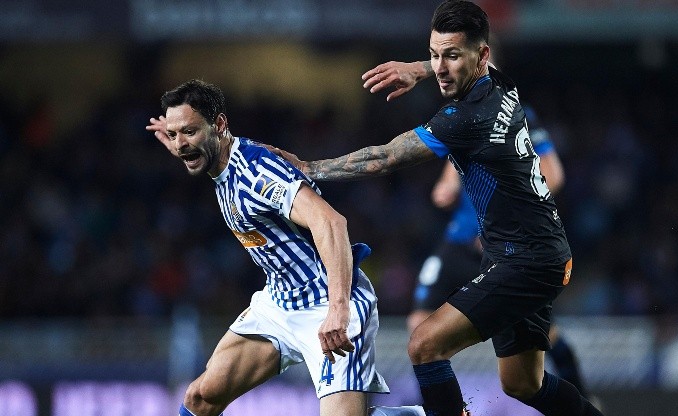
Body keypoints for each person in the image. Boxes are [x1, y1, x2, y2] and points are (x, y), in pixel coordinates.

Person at [272, 1, 603, 415]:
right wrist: (420, 67)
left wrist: (310, 167)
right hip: (537, 252)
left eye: (451, 56)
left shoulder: (464, 118)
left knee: (424, 344)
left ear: (481, 56)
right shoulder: (503, 84)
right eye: (435, 54)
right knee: (523, 383)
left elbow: (385, 157)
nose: (441, 67)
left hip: (525, 261)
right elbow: (457, 62)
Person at [145, 79, 389, 416]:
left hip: (327, 303)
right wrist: (181, 139)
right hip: (278, 304)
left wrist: (337, 308)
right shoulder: (218, 158)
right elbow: (192, 147)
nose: (181, 144)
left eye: (189, 132)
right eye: (174, 135)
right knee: (200, 397)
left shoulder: (256, 173)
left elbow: (331, 222)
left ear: (219, 125)